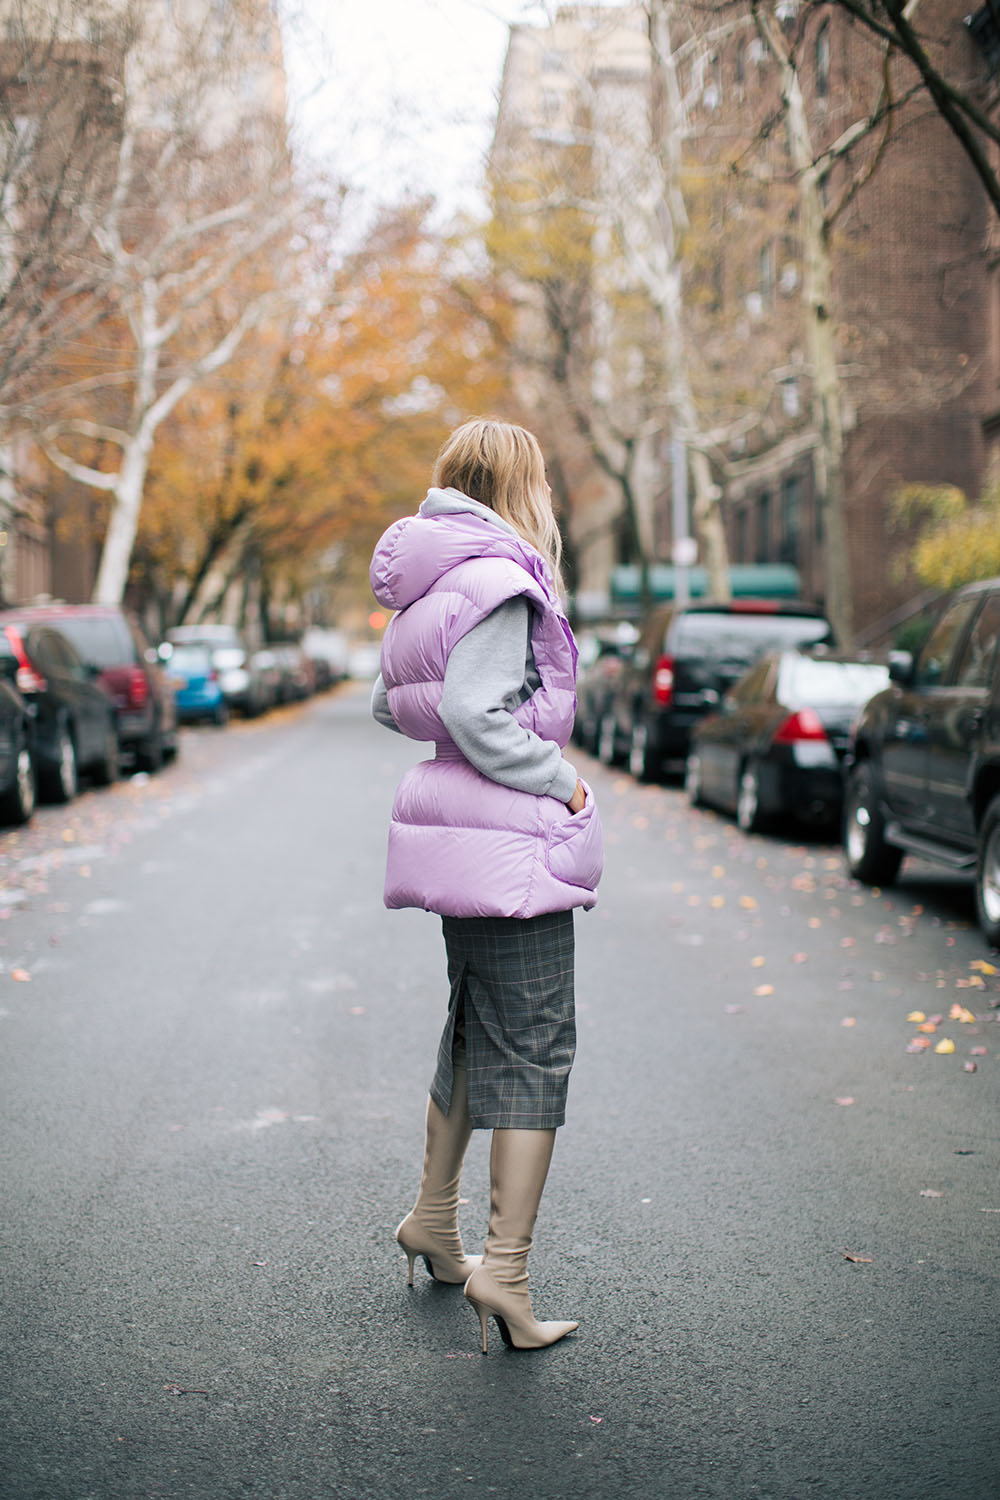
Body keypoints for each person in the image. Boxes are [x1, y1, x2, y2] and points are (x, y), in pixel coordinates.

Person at [369, 417, 604, 1353]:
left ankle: (433, 1219)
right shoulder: (503, 580)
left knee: (477, 1022)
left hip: (460, 838)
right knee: (538, 1044)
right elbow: (474, 710)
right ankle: (504, 1274)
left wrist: (466, 741)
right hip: (511, 844)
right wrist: (562, 780)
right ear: (521, 485)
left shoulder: (437, 583)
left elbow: (396, 701)